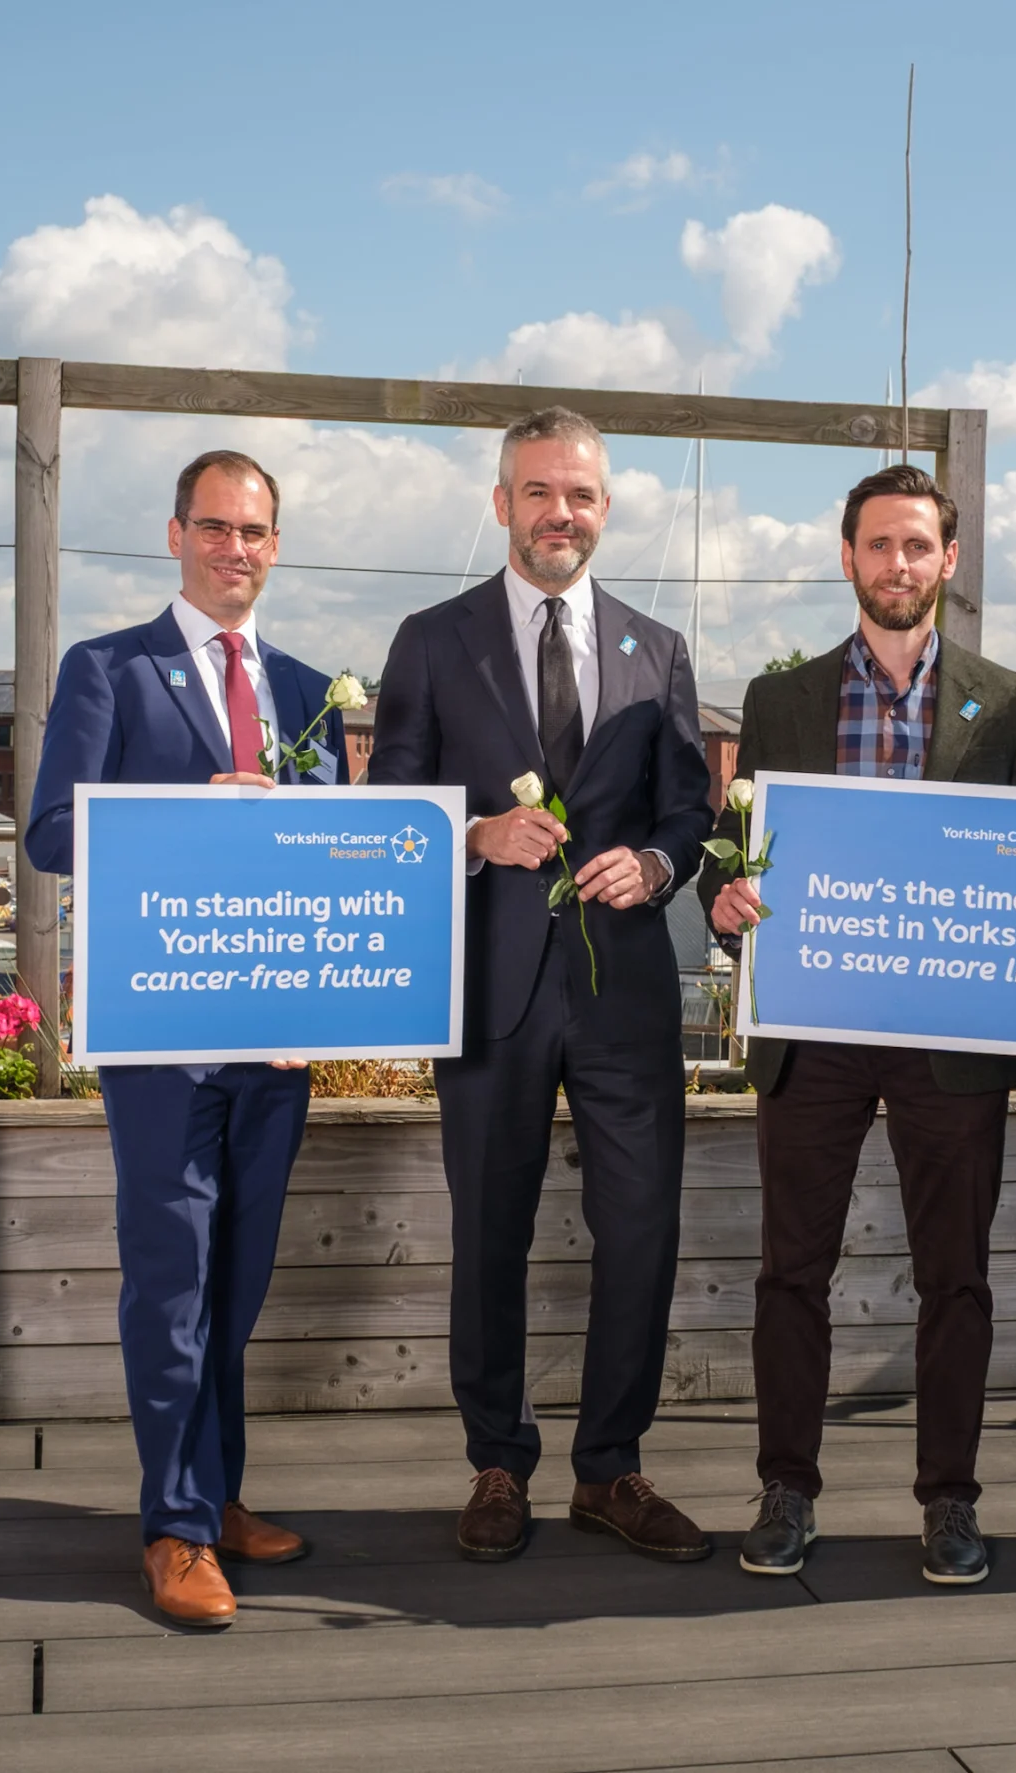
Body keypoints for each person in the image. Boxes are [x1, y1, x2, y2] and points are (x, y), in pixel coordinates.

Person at [368, 406, 715, 1563]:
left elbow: (689, 811)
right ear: (501, 500)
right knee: (490, 1236)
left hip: (624, 993)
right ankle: (495, 1464)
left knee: (640, 1232)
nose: (557, 513)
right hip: (487, 987)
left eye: (579, 496)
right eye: (536, 491)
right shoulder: (430, 639)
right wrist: (474, 836)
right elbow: (389, 808)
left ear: (603, 511)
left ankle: (610, 1469)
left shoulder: (656, 648)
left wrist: (658, 863)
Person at [700, 462, 1016, 1587]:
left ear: (946, 562)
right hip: (811, 1029)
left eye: (916, 547)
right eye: (876, 545)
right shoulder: (779, 701)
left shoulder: (1008, 704)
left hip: (952, 1043)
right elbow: (729, 849)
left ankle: (948, 1500)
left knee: (956, 1277)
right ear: (845, 556)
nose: (895, 565)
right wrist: (724, 897)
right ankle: (785, 1488)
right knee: (788, 1272)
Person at [24, 449, 345, 1629]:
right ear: (173, 536)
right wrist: (185, 814)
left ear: (275, 544)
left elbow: (331, 868)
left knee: (239, 1278)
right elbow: (50, 834)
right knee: (170, 1278)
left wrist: (325, 1003)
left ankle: (214, 1497)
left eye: (254, 532)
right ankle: (170, 1530)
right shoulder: (108, 669)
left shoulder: (311, 691)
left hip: (274, 1040)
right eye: (213, 528)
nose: (234, 550)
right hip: (160, 1033)